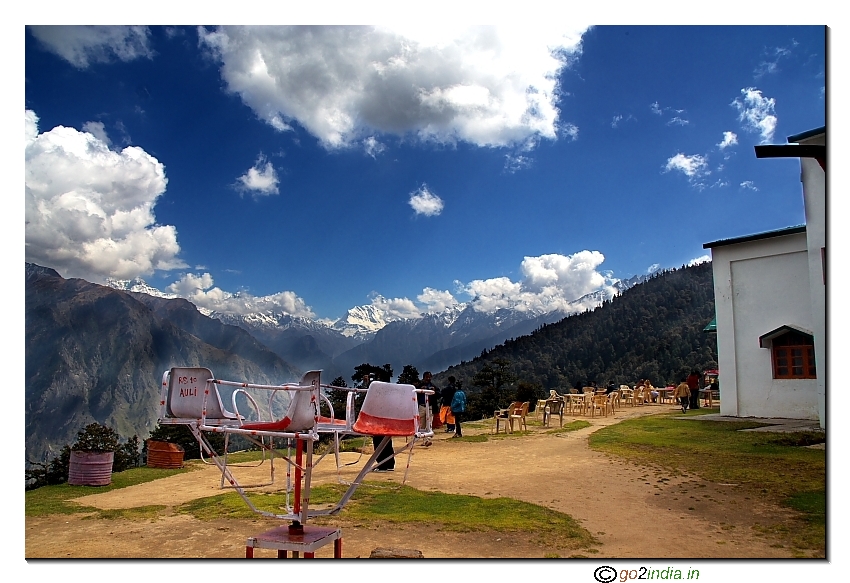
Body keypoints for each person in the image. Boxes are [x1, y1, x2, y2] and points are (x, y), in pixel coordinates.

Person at [364, 374, 394, 472]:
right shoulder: (391, 393)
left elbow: (371, 397)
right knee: (387, 440)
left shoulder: (379, 392)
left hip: (378, 420)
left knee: (378, 440)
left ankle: (382, 464)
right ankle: (389, 463)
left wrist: (368, 384)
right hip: (388, 419)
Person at [418, 371, 438, 447]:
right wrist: (420, 390)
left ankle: (427, 440)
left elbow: (439, 394)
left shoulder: (433, 386)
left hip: (429, 407)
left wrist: (434, 391)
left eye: (429, 377)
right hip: (422, 406)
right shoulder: (420, 385)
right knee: (422, 424)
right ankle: (424, 440)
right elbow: (414, 393)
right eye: (427, 377)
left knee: (429, 423)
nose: (428, 378)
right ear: (424, 378)